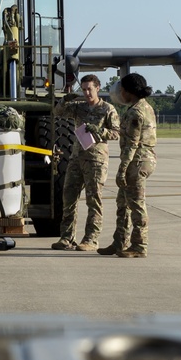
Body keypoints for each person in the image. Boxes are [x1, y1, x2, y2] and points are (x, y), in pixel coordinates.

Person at [51, 74, 120, 251]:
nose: (87, 93)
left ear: (98, 88)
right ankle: (66, 238)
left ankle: (91, 239)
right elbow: (57, 113)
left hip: (96, 160)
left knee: (93, 199)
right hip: (76, 158)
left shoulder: (107, 109)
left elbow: (116, 132)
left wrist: (100, 131)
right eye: (84, 89)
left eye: (90, 89)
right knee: (69, 198)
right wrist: (64, 99)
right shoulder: (78, 108)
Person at [98, 73, 157, 258]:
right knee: (122, 203)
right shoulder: (145, 107)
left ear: (130, 91)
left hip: (137, 161)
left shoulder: (135, 112)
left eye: (122, 89)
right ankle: (119, 243)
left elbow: (132, 143)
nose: (120, 93)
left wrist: (122, 170)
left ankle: (139, 246)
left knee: (136, 204)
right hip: (142, 158)